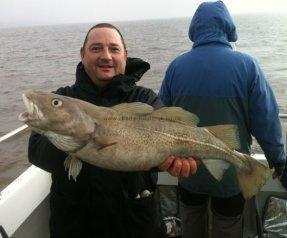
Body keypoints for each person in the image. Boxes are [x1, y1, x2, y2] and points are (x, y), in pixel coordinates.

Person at [28, 23, 197, 238]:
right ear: (83, 54)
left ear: (125, 55)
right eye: (96, 48)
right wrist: (71, 131)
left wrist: (173, 163)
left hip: (136, 226)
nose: (106, 56)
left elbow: (164, 144)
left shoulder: (144, 99)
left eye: (114, 49)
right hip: (74, 226)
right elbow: (36, 152)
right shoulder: (62, 98)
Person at [159, 1, 286, 238]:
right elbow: (266, 120)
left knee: (191, 226)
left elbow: (159, 119)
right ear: (228, 27)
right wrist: (277, 159)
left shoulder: (175, 67)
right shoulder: (247, 65)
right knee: (226, 229)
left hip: (188, 172)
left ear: (194, 29)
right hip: (231, 175)